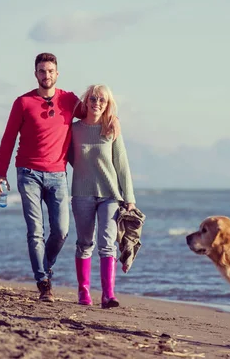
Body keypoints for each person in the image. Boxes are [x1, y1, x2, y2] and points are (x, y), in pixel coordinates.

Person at [0, 52, 85, 302]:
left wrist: (114, 122)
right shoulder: (23, 102)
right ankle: (43, 282)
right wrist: (1, 174)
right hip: (28, 173)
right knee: (35, 231)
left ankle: (45, 266)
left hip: (58, 174)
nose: (47, 75)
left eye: (50, 71)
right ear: (35, 74)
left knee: (62, 230)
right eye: (42, 71)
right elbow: (8, 140)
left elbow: (94, 116)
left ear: (57, 73)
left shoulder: (70, 100)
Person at [69, 84, 136, 309]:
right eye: (94, 98)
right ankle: (83, 292)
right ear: (86, 101)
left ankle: (108, 295)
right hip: (81, 193)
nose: (97, 103)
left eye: (102, 100)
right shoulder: (74, 129)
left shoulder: (111, 128)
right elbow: (67, 156)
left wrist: (129, 197)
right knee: (84, 243)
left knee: (107, 245)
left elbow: (122, 165)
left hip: (110, 195)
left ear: (107, 105)